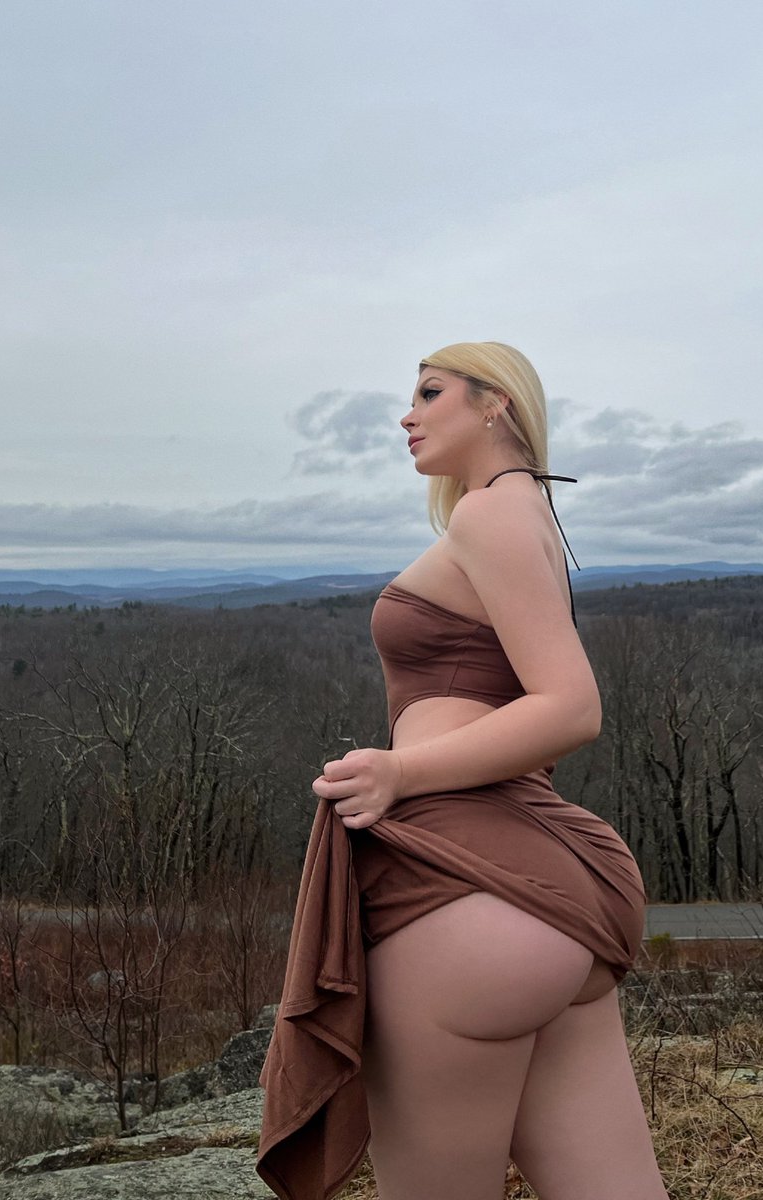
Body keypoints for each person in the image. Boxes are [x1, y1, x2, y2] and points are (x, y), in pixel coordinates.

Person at [257, 342, 667, 1200]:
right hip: (557, 899)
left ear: (494, 404)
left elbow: (570, 707)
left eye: (430, 392)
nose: (406, 415)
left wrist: (399, 774)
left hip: (461, 888)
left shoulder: (489, 514)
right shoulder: (527, 512)